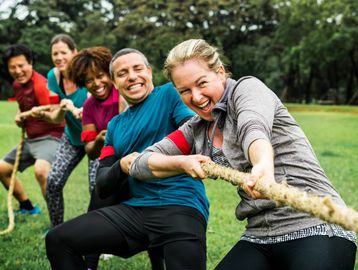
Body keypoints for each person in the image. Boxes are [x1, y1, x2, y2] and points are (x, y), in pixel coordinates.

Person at [128, 39, 357, 270]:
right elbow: (142, 163)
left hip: (316, 224)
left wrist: (263, 166)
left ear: (219, 73)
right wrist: (182, 162)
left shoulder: (247, 90)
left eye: (202, 83)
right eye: (185, 91)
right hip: (259, 235)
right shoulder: (195, 129)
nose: (196, 97)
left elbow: (253, 129)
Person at [45, 48, 209, 270]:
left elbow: (193, 133)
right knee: (57, 240)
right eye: (122, 73)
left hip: (180, 205)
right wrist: (121, 165)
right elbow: (102, 184)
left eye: (137, 69)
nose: (132, 76)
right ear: (114, 81)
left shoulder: (170, 94)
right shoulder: (115, 126)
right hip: (135, 212)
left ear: (149, 72)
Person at [66, 46, 129, 270]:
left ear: (109, 73)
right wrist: (102, 139)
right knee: (98, 207)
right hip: (109, 162)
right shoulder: (89, 106)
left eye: (100, 76)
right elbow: (91, 150)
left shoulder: (122, 93)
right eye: (88, 80)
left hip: (136, 160)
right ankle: (90, 264)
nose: (96, 83)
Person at [33, 34, 94, 228]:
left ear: (74, 53)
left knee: (97, 188)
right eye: (55, 53)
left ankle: (102, 239)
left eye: (63, 52)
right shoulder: (53, 76)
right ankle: (56, 229)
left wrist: (88, 111)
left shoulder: (87, 73)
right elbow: (56, 118)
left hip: (97, 138)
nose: (59, 57)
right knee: (53, 182)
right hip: (73, 137)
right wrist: (61, 107)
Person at [0, 44, 64, 215]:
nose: (18, 70)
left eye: (21, 65)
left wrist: (40, 113)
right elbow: (25, 106)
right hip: (31, 140)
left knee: (41, 171)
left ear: (30, 64)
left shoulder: (41, 85)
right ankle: (27, 207)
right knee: (1, 169)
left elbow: (57, 114)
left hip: (51, 137)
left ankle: (57, 222)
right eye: (12, 67)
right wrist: (19, 115)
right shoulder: (17, 85)